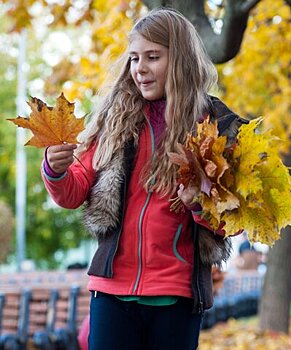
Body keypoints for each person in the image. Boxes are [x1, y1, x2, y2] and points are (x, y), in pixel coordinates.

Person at [41, 9, 246, 350]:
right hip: (111, 291)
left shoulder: (217, 128)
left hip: (176, 294)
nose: (140, 68)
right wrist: (55, 170)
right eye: (135, 58)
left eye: (153, 57)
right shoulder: (114, 120)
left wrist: (197, 201)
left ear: (180, 60)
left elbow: (233, 219)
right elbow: (73, 191)